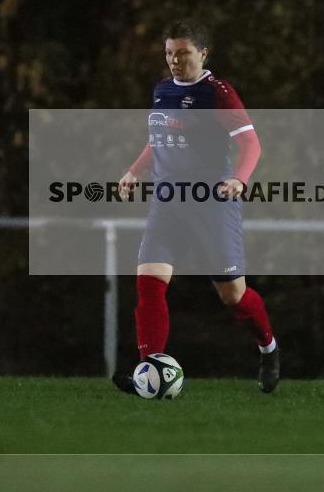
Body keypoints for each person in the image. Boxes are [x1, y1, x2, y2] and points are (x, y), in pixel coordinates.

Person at [112, 20, 280, 394]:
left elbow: (252, 146)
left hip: (211, 206)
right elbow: (159, 141)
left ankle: (268, 348)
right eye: (169, 53)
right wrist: (133, 172)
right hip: (168, 204)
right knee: (149, 286)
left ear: (203, 53)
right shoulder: (162, 91)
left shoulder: (218, 94)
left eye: (183, 53)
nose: (174, 60)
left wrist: (239, 179)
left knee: (232, 295)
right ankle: (150, 371)